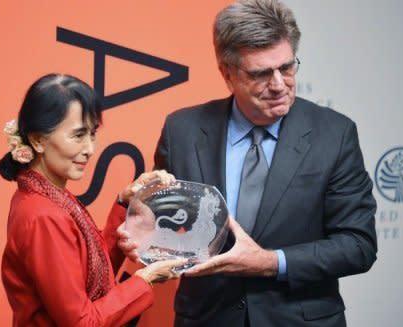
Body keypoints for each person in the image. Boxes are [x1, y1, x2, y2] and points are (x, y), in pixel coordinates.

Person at [119, 0, 377, 326]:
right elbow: (169, 228)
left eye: (286, 67)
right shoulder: (181, 130)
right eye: (260, 73)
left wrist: (270, 262)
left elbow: (358, 245)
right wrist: (146, 240)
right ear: (226, 73)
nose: (279, 84)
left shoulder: (335, 134)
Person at [0, 73, 184, 327]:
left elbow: (88, 272)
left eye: (92, 134)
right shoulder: (43, 214)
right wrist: (146, 279)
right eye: (78, 135)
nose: (90, 148)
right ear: (38, 140)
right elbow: (83, 322)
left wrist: (125, 202)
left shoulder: (48, 195)